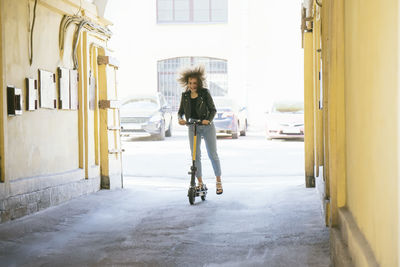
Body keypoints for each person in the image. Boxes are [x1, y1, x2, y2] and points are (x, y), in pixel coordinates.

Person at [177, 65, 223, 195]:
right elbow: (180, 112)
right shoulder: (185, 95)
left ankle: (218, 181)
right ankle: (200, 183)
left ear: (199, 83)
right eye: (190, 83)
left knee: (212, 154)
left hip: (207, 126)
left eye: (195, 83)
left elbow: (213, 110)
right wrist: (180, 119)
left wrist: (208, 119)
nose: (192, 85)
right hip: (192, 126)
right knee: (195, 156)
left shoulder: (205, 93)